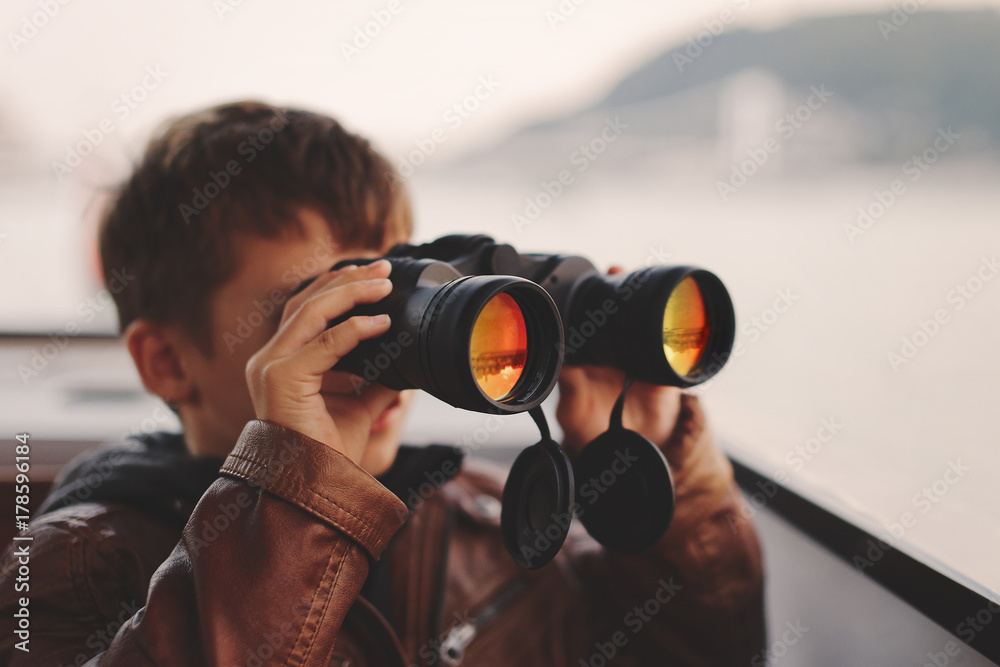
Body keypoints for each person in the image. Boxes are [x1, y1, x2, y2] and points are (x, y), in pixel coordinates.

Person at [0, 101, 764, 665]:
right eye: (317, 307)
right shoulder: (74, 565)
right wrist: (294, 492)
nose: (377, 333)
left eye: (398, 295)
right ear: (167, 360)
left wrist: (654, 462)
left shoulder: (482, 521)